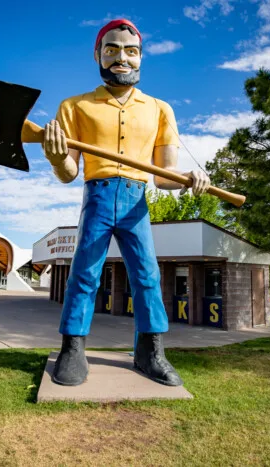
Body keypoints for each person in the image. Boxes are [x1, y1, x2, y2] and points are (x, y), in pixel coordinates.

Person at [42, 19, 210, 386]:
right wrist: (57, 157)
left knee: (147, 275)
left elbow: (164, 175)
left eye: (130, 51)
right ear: (98, 55)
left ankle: (150, 351)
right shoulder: (74, 106)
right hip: (97, 196)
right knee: (84, 273)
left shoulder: (160, 109)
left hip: (137, 201)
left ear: (141, 57)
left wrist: (188, 180)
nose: (122, 58)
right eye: (112, 49)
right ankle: (72, 348)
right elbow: (69, 172)